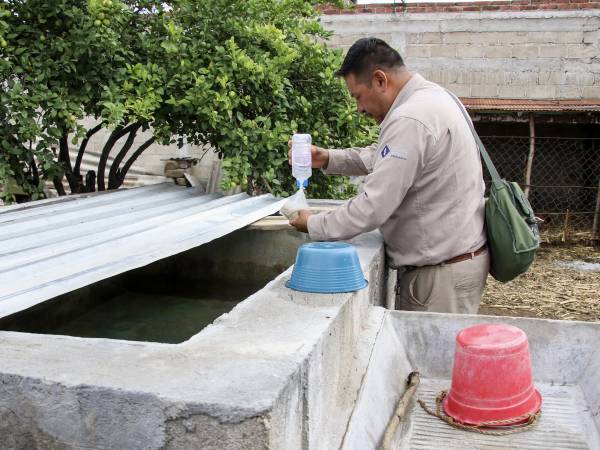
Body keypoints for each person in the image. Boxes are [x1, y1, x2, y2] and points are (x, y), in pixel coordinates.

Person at [288, 37, 489, 314]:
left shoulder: (410, 118)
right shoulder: (435, 98)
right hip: (456, 262)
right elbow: (385, 155)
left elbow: (373, 207)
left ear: (380, 80)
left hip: (439, 276)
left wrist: (314, 224)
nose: (359, 108)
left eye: (358, 96)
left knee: (424, 358)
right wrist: (328, 158)